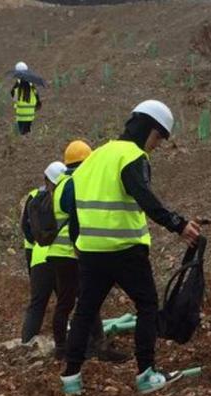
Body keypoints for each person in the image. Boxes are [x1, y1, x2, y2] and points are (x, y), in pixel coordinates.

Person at [60, 100, 201, 396]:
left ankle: (71, 378)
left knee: (85, 312)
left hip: (90, 252)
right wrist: (178, 224)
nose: (158, 145)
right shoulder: (132, 156)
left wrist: (79, 245)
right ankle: (147, 374)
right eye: (159, 137)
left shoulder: (95, 157)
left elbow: (72, 206)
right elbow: (144, 197)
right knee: (147, 306)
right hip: (125, 250)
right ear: (150, 130)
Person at [48, 140, 125, 362]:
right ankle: (81, 347)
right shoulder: (76, 183)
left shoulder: (62, 182)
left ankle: (73, 347)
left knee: (75, 299)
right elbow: (80, 217)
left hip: (61, 252)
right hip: (70, 251)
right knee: (81, 300)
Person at [21, 161, 68, 343]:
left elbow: (26, 228)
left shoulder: (33, 196)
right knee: (67, 304)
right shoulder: (66, 194)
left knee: (37, 305)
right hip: (63, 257)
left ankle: (27, 343)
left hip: (39, 258)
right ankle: (68, 345)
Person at [11, 62, 40, 136]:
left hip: (20, 115)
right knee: (28, 132)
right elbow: (37, 99)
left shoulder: (17, 89)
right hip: (30, 115)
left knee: (21, 133)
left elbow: (14, 99)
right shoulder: (32, 87)